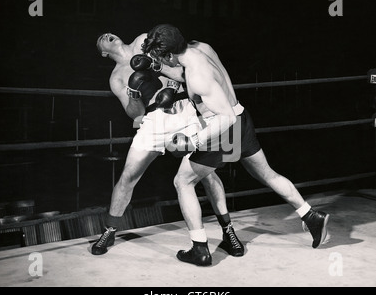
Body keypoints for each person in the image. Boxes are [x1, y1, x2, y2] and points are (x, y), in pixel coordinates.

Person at [142, 24, 330, 266]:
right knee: (266, 174)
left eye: (161, 58)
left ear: (169, 54)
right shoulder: (201, 49)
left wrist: (194, 140)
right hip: (242, 118)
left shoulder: (198, 77)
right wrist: (158, 67)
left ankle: (199, 248)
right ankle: (311, 216)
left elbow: (224, 116)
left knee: (183, 181)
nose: (161, 62)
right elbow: (188, 76)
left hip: (224, 128)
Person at [91, 32, 245, 260]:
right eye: (102, 39)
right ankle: (109, 231)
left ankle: (228, 231)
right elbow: (135, 113)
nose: (106, 35)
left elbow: (178, 63)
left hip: (183, 108)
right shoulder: (116, 78)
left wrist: (172, 85)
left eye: (108, 33)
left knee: (207, 174)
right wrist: (134, 93)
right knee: (128, 177)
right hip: (153, 120)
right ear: (104, 53)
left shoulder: (143, 40)